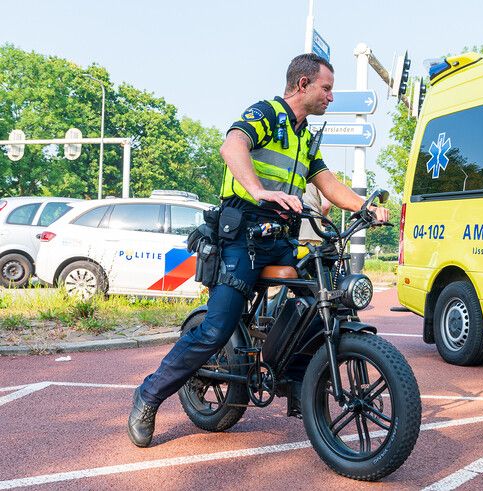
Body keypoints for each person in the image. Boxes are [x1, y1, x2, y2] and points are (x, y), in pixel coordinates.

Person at [128, 53, 389, 448]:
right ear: (303, 84)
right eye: (327, 88)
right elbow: (232, 147)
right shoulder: (266, 113)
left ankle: (295, 375)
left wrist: (364, 207)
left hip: (279, 238)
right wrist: (258, 190)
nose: (331, 97)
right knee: (216, 328)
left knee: (321, 292)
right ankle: (148, 396)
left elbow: (328, 182)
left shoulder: (303, 135)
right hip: (242, 236)